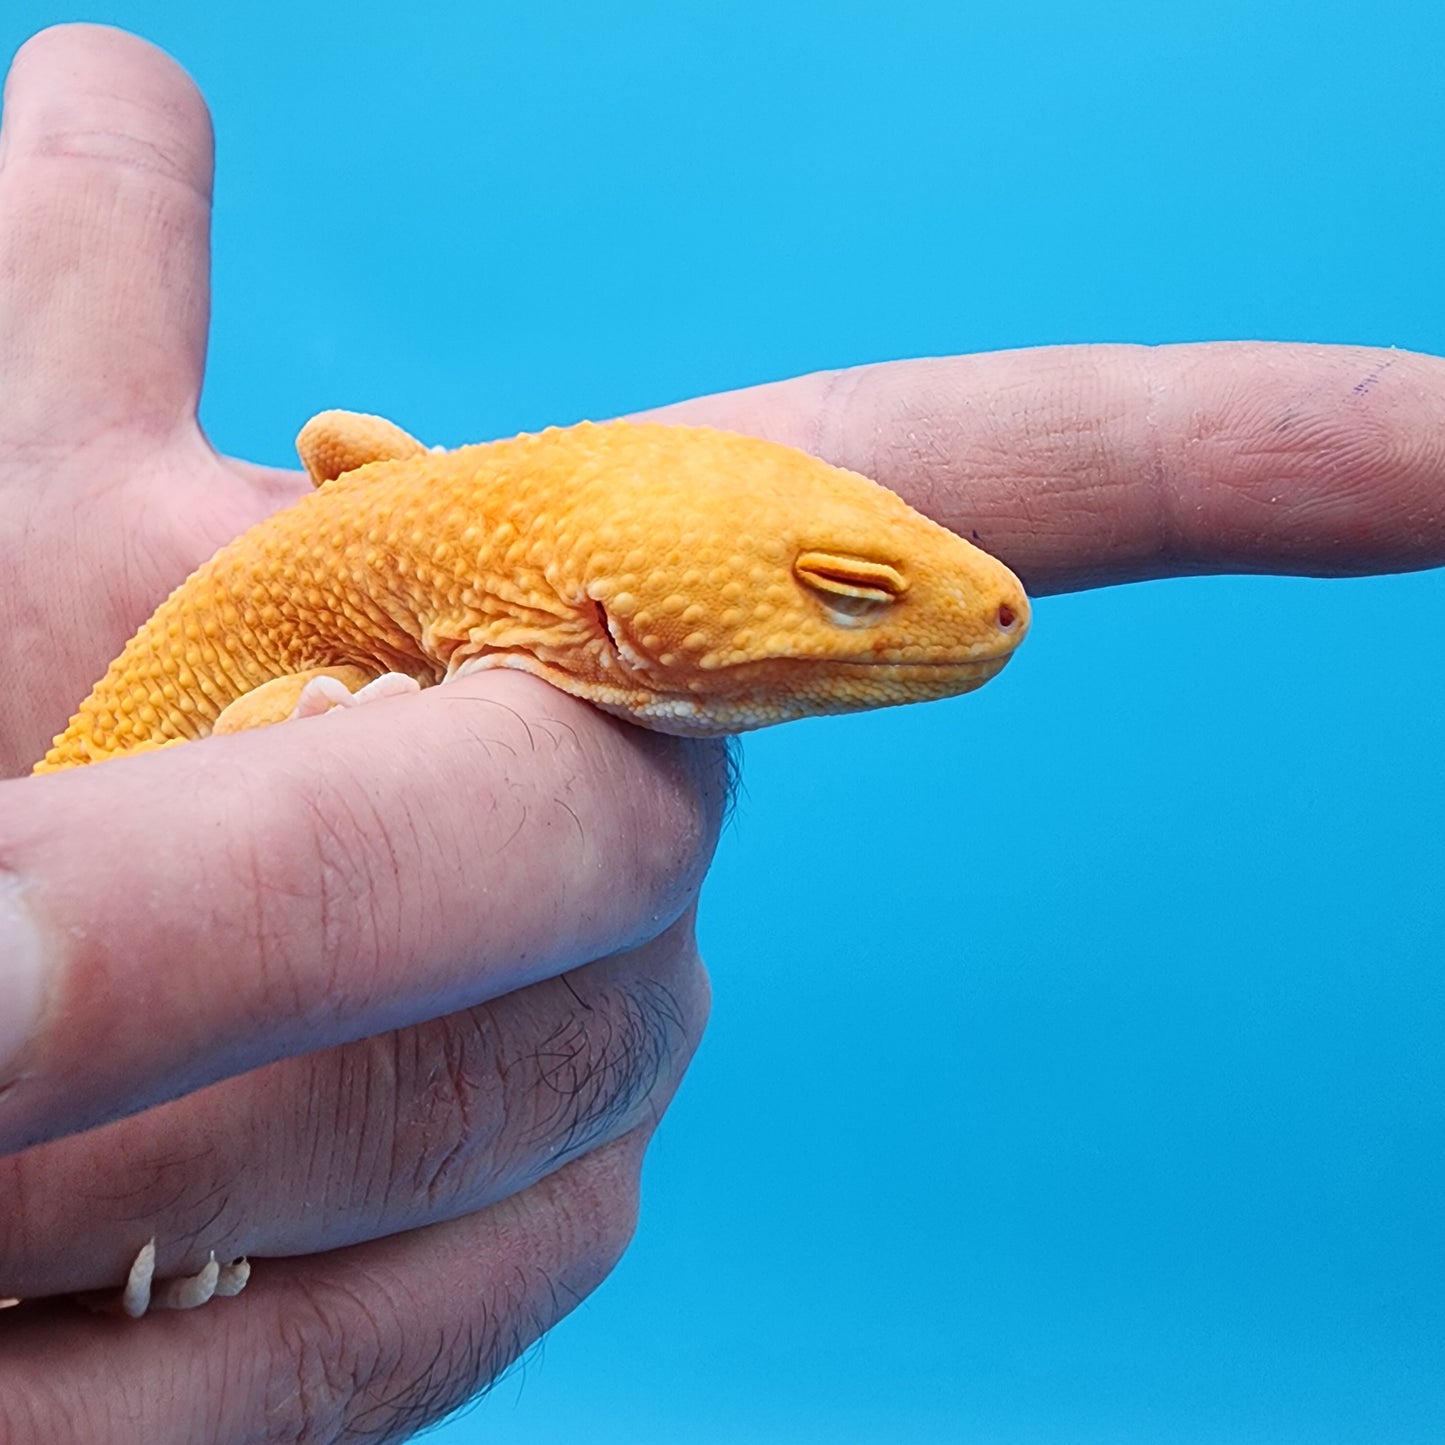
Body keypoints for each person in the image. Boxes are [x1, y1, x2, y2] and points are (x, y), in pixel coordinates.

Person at [1, 21, 1441, 1445]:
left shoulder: (422, 540)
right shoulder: (353, 647)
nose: (985, 606)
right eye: (849, 596)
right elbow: (313, 554)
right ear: (600, 616)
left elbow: (337, 446)